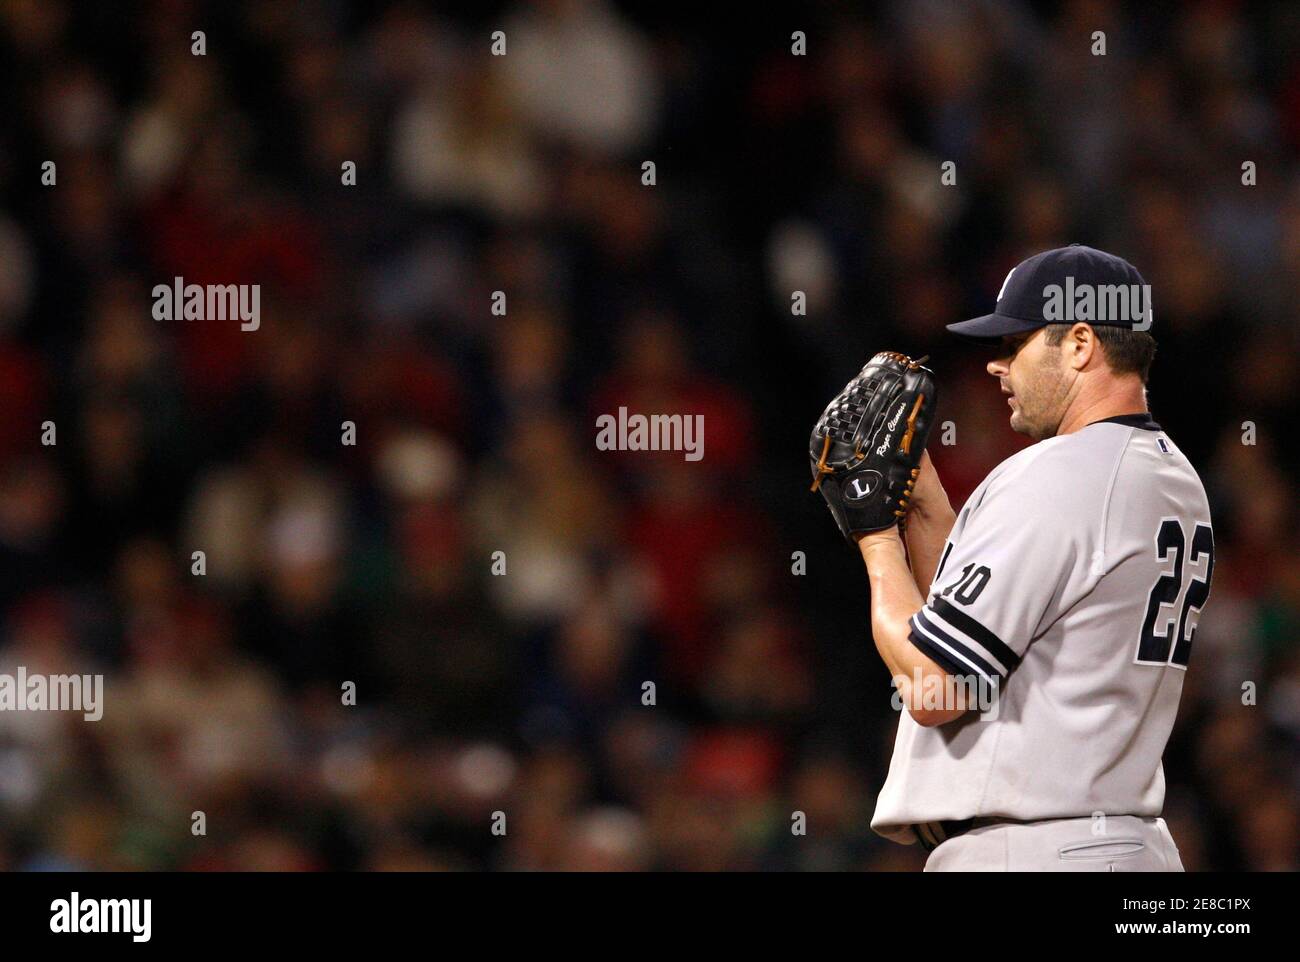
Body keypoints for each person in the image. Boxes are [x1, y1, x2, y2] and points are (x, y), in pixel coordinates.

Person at [858, 245, 1213, 871]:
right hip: (1123, 845)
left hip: (1036, 848)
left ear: (1080, 343)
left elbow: (938, 684)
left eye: (1016, 342)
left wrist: (874, 537)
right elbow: (994, 617)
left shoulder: (1058, 472)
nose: (996, 365)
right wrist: (922, 502)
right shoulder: (1173, 476)